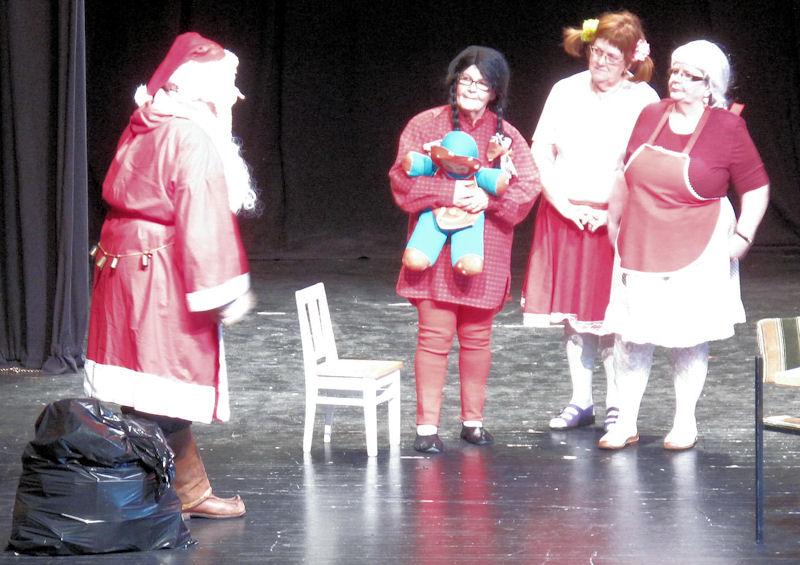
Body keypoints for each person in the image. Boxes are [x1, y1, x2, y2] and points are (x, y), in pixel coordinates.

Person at [85, 32, 257, 517]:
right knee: (165, 382)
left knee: (146, 386)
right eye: (227, 88)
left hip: (125, 261)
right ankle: (157, 497)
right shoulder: (191, 136)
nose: (234, 98)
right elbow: (203, 219)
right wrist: (223, 291)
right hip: (157, 270)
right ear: (202, 89)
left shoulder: (147, 121)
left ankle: (186, 491)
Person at [599, 40, 770, 450]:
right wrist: (613, 221)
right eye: (675, 71)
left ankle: (684, 421)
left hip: (699, 242)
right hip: (642, 240)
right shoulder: (650, 115)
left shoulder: (727, 128)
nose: (676, 79)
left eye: (688, 75)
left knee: (688, 335)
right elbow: (625, 174)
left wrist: (743, 237)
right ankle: (625, 421)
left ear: (709, 85)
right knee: (632, 335)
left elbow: (756, 187)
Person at [390, 46, 541, 453]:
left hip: (483, 252)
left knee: (477, 340)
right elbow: (402, 179)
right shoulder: (425, 125)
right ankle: (426, 428)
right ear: (454, 82)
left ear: (495, 91)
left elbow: (528, 187)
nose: (472, 89)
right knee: (433, 337)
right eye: (466, 80)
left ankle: (472, 421)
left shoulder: (507, 137)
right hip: (434, 252)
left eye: (482, 83)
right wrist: (449, 192)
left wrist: (487, 200)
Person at [521, 11, 658, 432]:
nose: (600, 62)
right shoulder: (564, 90)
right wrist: (563, 205)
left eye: (612, 57)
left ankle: (617, 402)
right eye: (596, 52)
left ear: (630, 60)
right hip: (566, 214)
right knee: (574, 316)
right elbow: (541, 151)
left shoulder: (643, 99)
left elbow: (646, 165)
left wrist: (612, 214)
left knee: (613, 318)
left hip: (617, 222)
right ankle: (581, 400)